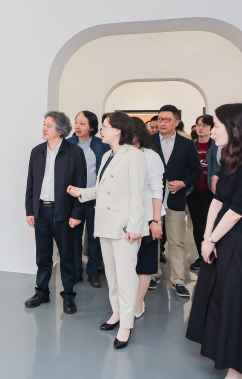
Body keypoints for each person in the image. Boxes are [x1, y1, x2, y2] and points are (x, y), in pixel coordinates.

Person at [187, 103, 242, 379]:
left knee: (236, 305)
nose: (211, 131)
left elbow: (236, 212)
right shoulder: (230, 158)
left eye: (216, 126)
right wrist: (207, 238)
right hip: (221, 240)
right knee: (217, 300)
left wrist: (212, 239)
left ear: (234, 128)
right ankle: (223, 355)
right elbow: (218, 200)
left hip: (238, 243)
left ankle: (237, 370)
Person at [67, 112, 147, 349]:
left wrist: (134, 227)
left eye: (105, 127)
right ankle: (117, 313)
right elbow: (102, 189)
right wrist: (81, 192)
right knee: (112, 276)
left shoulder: (134, 156)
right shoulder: (107, 156)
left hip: (124, 228)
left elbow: (138, 194)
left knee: (126, 277)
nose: (101, 130)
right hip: (105, 224)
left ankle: (126, 325)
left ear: (118, 130)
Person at [25, 111, 87, 314]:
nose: (44, 128)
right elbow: (31, 184)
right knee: (43, 256)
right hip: (41, 211)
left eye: (48, 125)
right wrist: (30, 210)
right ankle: (41, 292)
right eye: (44, 124)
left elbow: (81, 185)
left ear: (60, 130)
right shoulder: (37, 152)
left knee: (67, 257)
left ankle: (68, 296)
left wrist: (76, 213)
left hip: (64, 213)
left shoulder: (75, 153)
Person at [152, 105, 202, 298]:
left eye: (167, 119)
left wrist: (183, 183)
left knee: (176, 241)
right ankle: (153, 274)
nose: (162, 123)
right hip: (152, 201)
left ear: (176, 122)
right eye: (160, 119)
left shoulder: (186, 144)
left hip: (175, 199)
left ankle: (178, 280)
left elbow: (196, 170)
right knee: (152, 240)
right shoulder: (149, 142)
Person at [67, 111, 110, 288]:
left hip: (94, 198)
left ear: (92, 127)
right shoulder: (68, 144)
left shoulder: (102, 145)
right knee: (73, 237)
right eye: (76, 122)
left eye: (82, 123)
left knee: (94, 236)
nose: (77, 126)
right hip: (73, 199)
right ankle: (76, 271)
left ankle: (93, 272)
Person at [129, 117, 164, 319]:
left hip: (148, 217)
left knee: (144, 263)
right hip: (125, 218)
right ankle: (127, 300)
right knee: (127, 263)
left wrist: (156, 221)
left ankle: (138, 302)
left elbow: (157, 190)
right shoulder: (119, 154)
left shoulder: (150, 156)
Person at [187, 115, 221, 271]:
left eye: (205, 125)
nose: (200, 128)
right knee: (197, 226)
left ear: (211, 128)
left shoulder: (217, 146)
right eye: (198, 125)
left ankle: (213, 255)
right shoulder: (191, 145)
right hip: (194, 191)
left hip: (212, 193)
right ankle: (202, 256)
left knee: (212, 225)